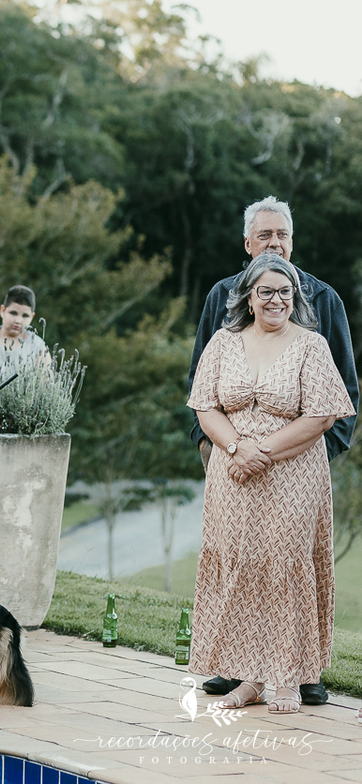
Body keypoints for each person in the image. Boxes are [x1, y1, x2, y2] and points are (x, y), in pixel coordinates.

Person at [188, 196, 359, 706]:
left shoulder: (323, 304)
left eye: (282, 234)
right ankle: (241, 669)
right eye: (264, 235)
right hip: (232, 465)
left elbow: (337, 398)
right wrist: (223, 449)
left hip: (295, 467)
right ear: (248, 244)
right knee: (237, 561)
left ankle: (298, 672)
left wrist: (306, 457)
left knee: (290, 565)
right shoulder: (222, 307)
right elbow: (202, 391)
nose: (274, 243)